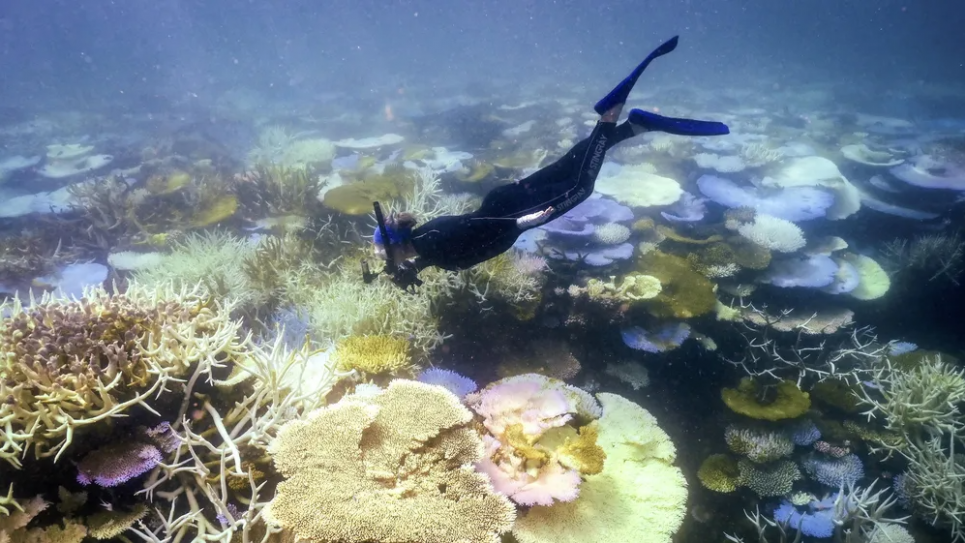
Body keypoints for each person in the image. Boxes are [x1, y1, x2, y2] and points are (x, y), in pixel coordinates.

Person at [373, 35, 729, 290]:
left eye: (385, 256)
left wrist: (533, 219)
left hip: (518, 213)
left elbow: (470, 241)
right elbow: (441, 249)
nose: (386, 263)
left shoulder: (432, 243)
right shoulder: (424, 240)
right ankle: (633, 126)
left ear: (397, 246)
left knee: (582, 186)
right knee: (573, 165)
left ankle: (609, 115)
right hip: (508, 199)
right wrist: (414, 267)